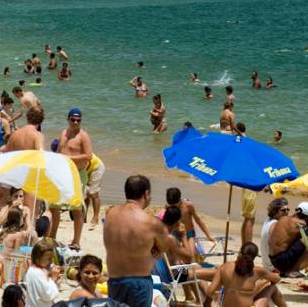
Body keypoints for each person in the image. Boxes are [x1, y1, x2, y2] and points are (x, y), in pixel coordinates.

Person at [103, 175, 170, 306]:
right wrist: (154, 250)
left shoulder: (110, 214)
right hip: (139, 282)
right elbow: (164, 247)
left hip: (114, 280)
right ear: (146, 194)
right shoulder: (151, 223)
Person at [49, 108, 96, 248]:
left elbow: (88, 156)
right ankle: (52, 236)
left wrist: (69, 158)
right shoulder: (63, 133)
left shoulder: (83, 136)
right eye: (73, 119)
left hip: (77, 175)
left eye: (78, 120)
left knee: (76, 208)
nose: (75, 122)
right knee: (54, 206)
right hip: (62, 173)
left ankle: (76, 241)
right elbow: (59, 152)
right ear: (68, 119)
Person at [208, 242, 284, 307]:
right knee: (272, 288)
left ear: (240, 252)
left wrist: (217, 296)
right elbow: (277, 279)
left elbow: (210, 291)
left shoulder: (225, 267)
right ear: (254, 257)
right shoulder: (257, 271)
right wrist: (268, 278)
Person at [166, 187, 215, 261]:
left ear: (179, 199)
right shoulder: (168, 206)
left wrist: (209, 235)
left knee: (190, 257)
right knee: (173, 256)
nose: (173, 207)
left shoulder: (188, 205)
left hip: (189, 234)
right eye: (171, 205)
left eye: (174, 205)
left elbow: (198, 220)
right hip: (175, 233)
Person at [269, 201, 308, 275]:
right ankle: (294, 270)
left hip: (272, 259)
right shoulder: (300, 224)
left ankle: (291, 269)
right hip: (281, 261)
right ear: (307, 216)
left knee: (300, 239)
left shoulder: (283, 218)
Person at [23, 240, 61, 307]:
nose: (51, 261)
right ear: (38, 259)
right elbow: (48, 295)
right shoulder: (37, 274)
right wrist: (53, 279)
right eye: (49, 259)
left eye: (52, 259)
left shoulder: (32, 271)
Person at [259, 198, 289, 271]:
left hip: (266, 263)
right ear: (275, 211)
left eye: (288, 210)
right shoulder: (275, 225)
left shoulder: (268, 220)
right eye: (283, 210)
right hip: (272, 267)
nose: (286, 212)